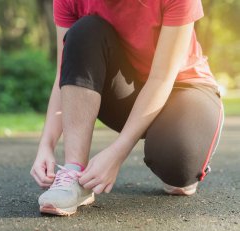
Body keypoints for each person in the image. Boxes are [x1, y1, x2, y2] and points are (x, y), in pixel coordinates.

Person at [30, 0, 224, 216]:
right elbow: (64, 74)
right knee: (84, 31)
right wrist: (46, 145)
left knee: (179, 167)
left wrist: (117, 153)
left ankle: (177, 154)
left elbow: (161, 78)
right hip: (125, 89)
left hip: (183, 87)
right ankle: (74, 172)